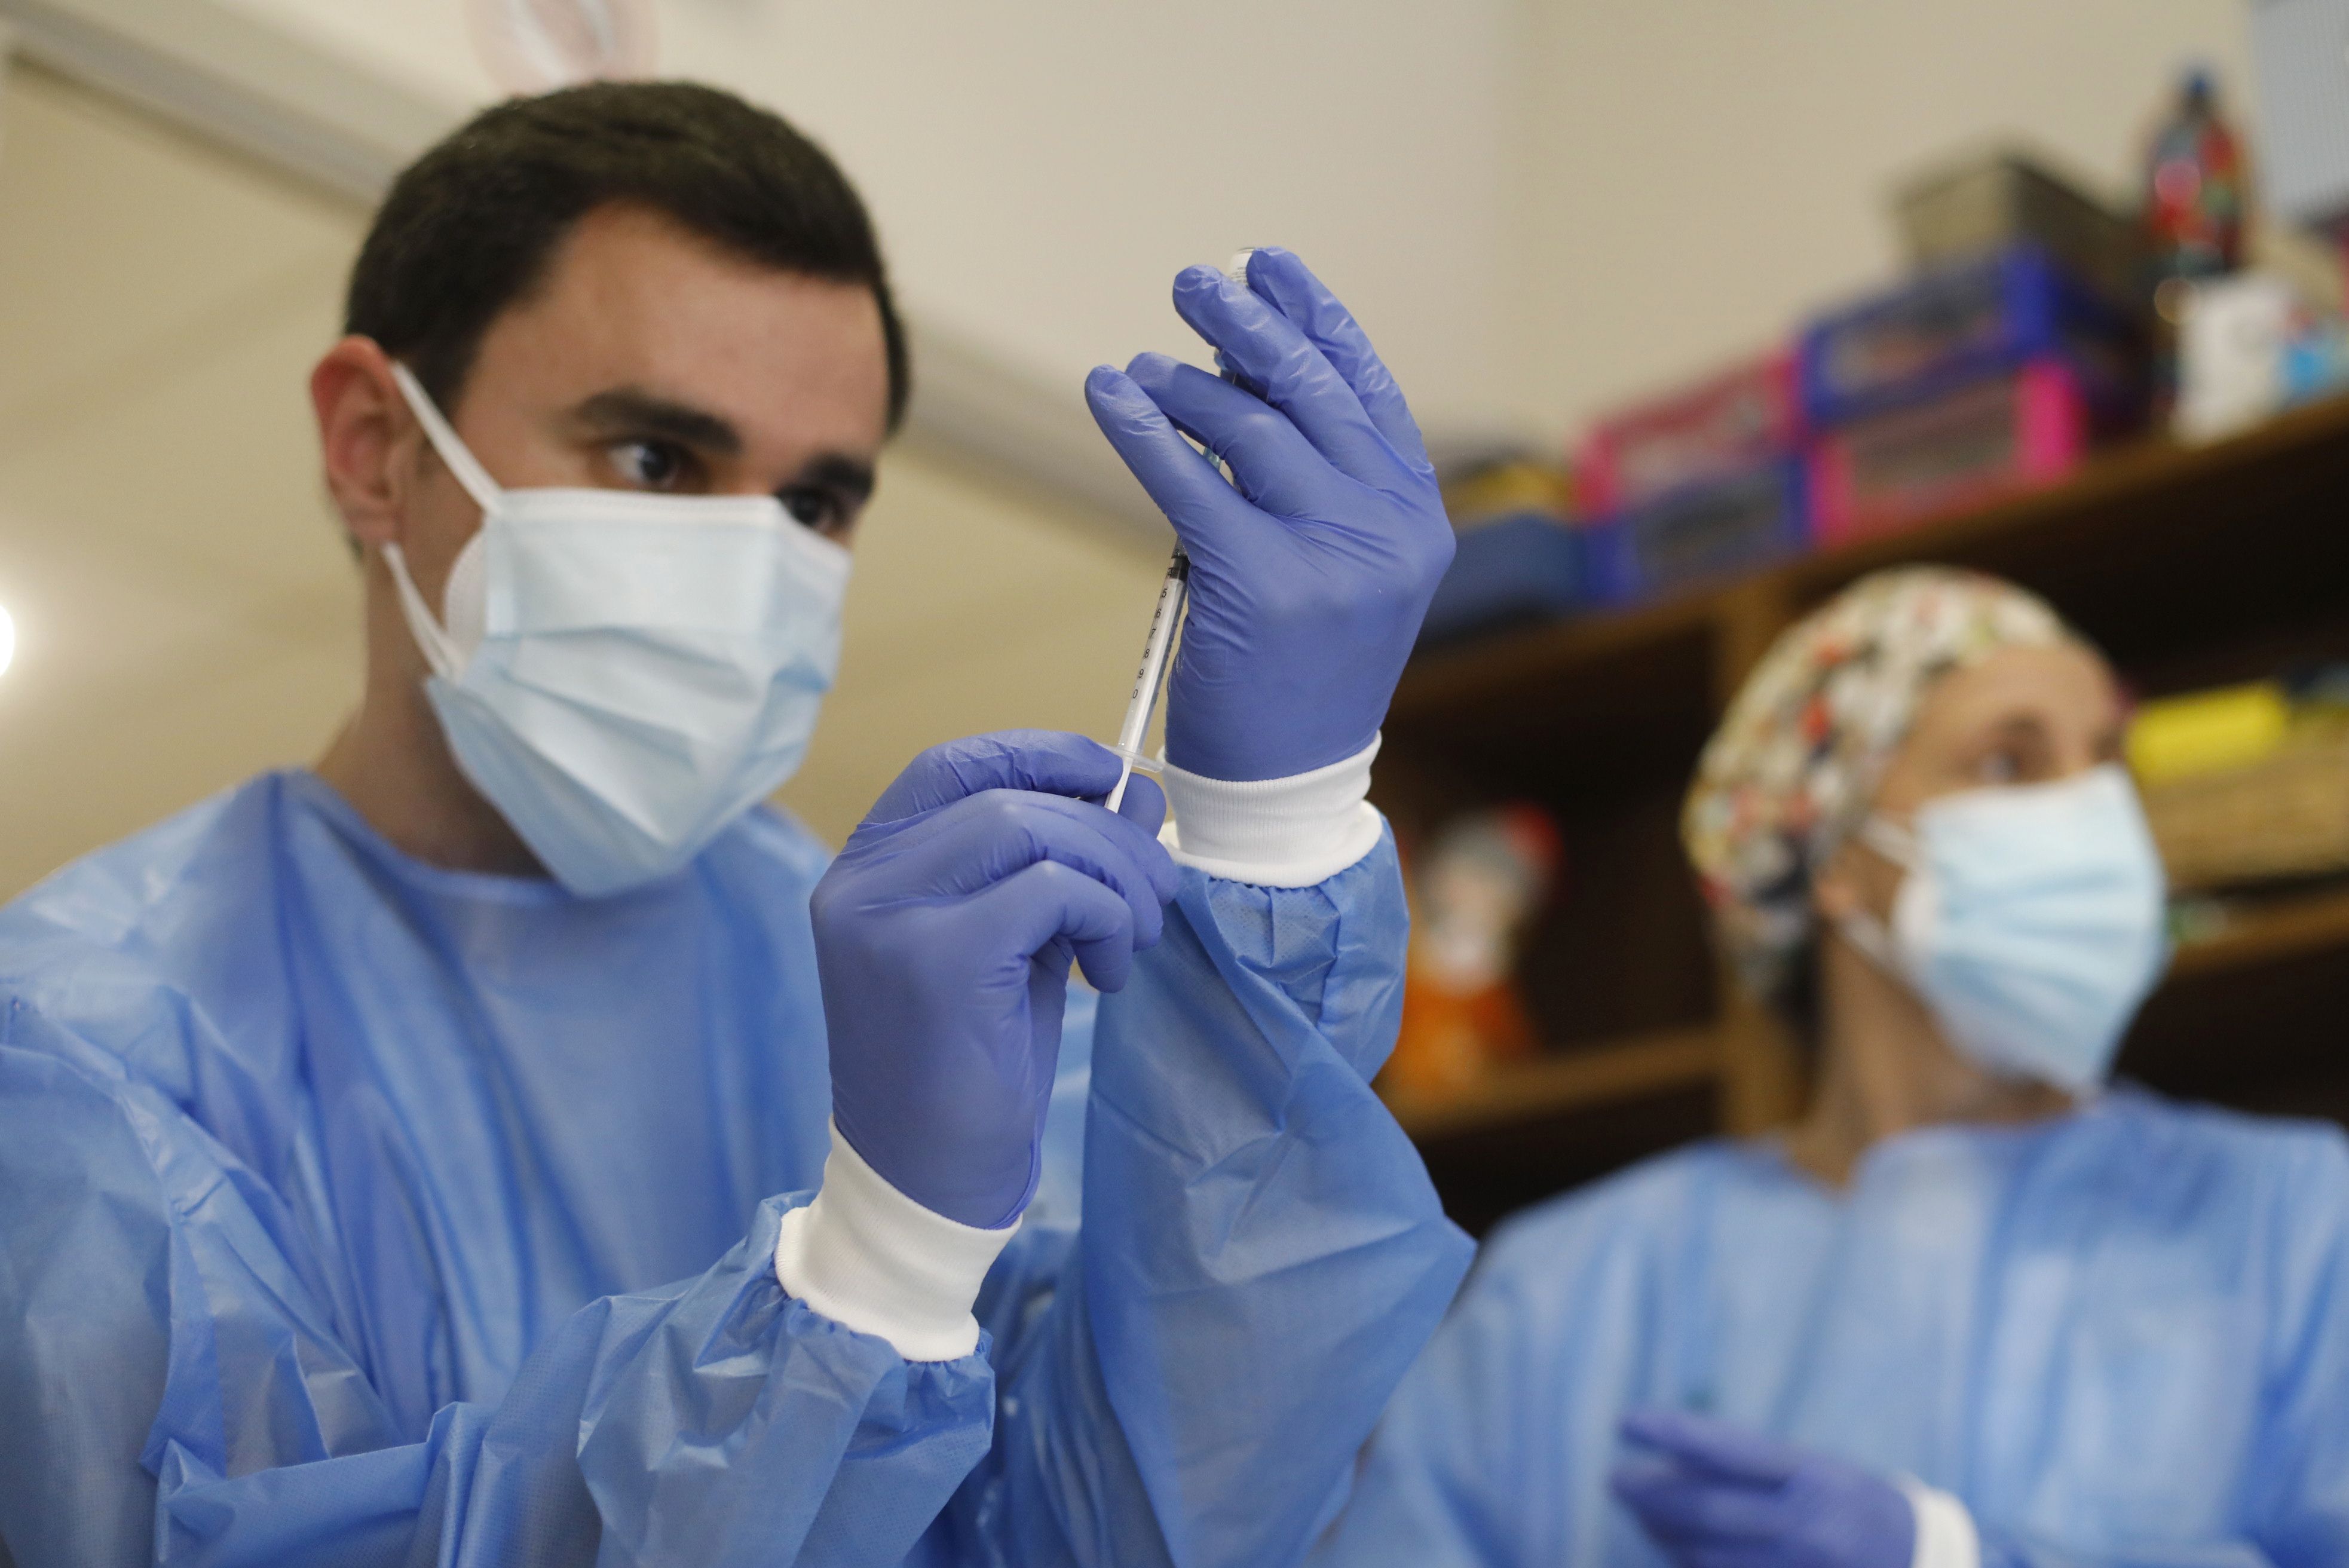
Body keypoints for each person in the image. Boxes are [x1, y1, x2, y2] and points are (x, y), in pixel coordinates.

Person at [0, 82, 1476, 1566]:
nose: (752, 564)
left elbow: (1133, 1525)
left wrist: (1276, 828)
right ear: (375, 445)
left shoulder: (939, 1002)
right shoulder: (89, 1051)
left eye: (816, 503)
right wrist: (867, 1269)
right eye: (656, 458)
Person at [1316, 566, 2349, 1567]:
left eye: (2108, 761)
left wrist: (1949, 1559)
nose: (2093, 813)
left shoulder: (2297, 1221)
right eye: (2009, 762)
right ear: (1836, 851)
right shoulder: (1574, 1293)